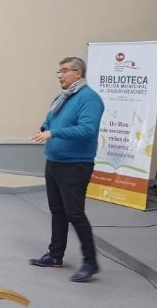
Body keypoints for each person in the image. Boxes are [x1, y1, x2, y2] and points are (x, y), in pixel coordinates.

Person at [30, 56, 104, 282]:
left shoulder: (89, 98)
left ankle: (90, 262)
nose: (60, 75)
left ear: (78, 73)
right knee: (57, 211)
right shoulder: (61, 97)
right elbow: (50, 120)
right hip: (54, 162)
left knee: (74, 213)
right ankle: (55, 255)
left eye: (64, 71)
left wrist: (54, 133)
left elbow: (88, 130)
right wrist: (46, 128)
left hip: (76, 164)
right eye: (58, 71)